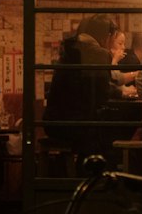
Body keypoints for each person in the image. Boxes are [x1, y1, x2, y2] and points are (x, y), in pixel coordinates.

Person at [43, 13, 119, 162]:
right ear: (107, 36)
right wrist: (121, 93)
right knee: (110, 136)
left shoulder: (70, 48)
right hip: (75, 124)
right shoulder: (98, 53)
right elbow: (101, 94)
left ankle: (77, 173)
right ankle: (94, 176)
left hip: (53, 121)